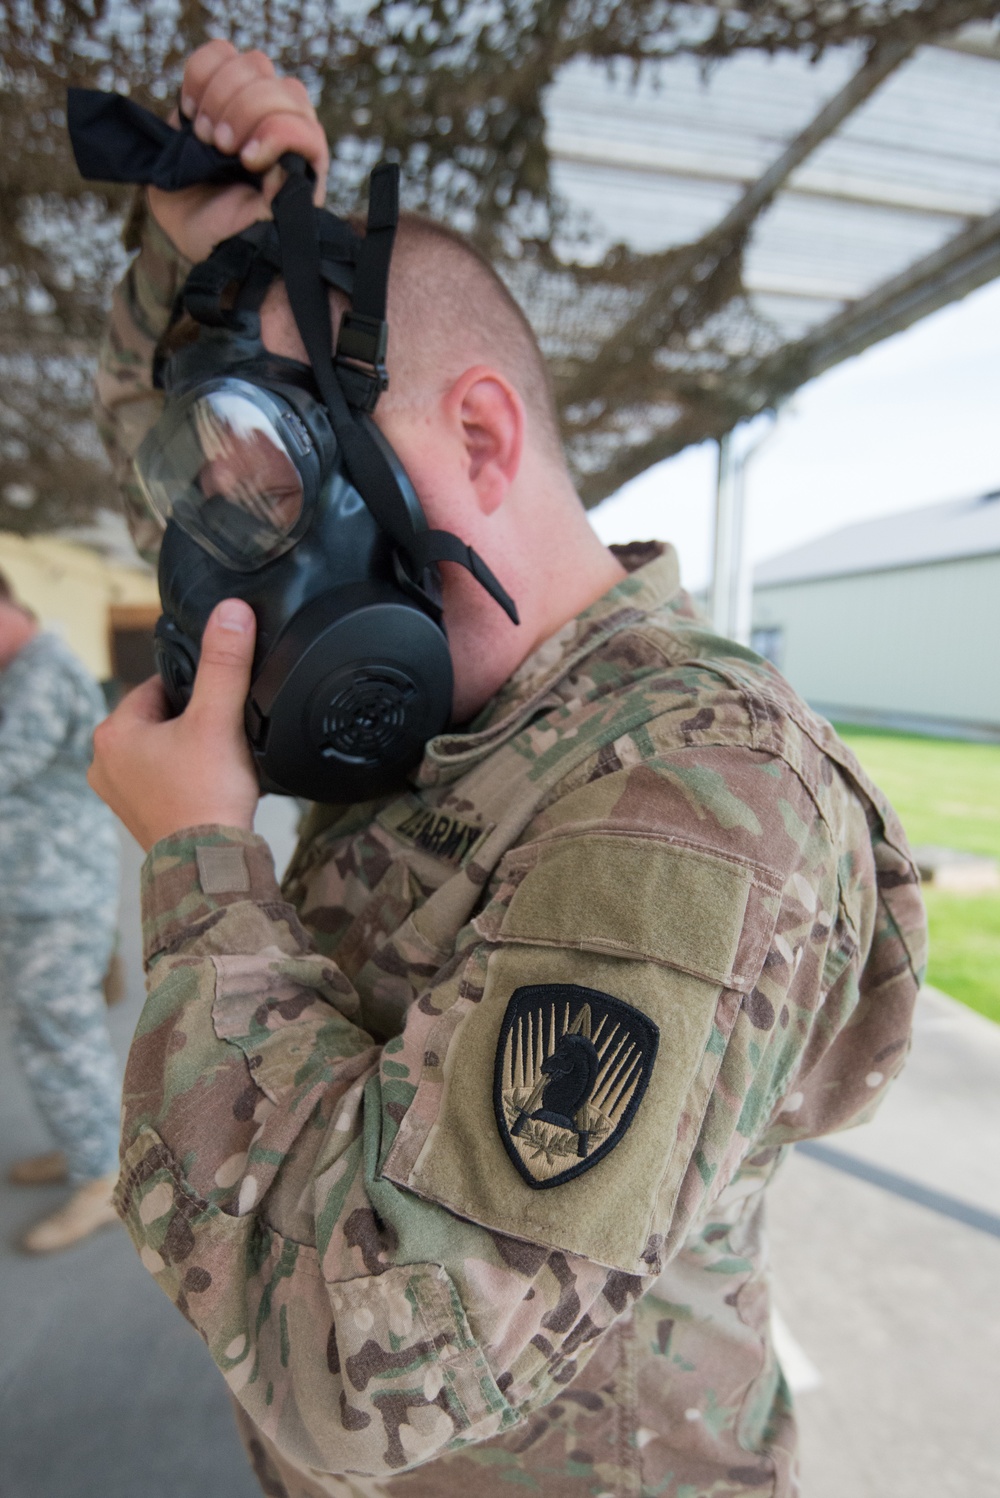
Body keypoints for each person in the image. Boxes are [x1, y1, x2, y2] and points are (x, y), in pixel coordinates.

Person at [89, 41, 927, 1498]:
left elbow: (360, 1372)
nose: (244, 557)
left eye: (280, 483)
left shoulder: (701, 799)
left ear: (477, 434)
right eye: (226, 502)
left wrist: (201, 864)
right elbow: (165, 457)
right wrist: (205, 252)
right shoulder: (435, 698)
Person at [0, 571, 122, 1252]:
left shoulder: (42, 673)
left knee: (59, 1034)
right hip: (35, 889)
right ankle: (86, 1144)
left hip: (53, 892)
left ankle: (101, 1175)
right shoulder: (25, 670)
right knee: (49, 1032)